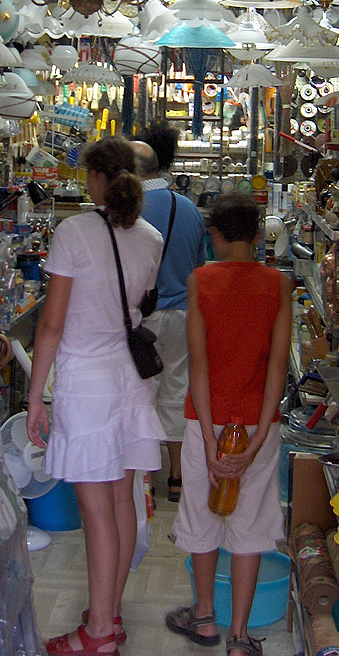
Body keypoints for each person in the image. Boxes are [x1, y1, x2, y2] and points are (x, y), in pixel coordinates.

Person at [27, 137, 164, 656]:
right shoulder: (150, 238)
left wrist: (36, 396)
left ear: (95, 178)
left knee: (96, 512)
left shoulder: (73, 232)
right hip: (131, 383)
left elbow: (52, 325)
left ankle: (99, 633)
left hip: (86, 385)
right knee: (122, 500)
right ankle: (111, 613)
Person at [165, 191, 292, 656]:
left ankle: (203, 617)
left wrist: (207, 439)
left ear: (215, 236)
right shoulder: (278, 285)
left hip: (207, 421)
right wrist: (256, 440)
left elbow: (197, 363)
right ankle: (239, 636)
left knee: (202, 519)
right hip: (260, 425)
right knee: (250, 527)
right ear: (259, 237)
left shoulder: (200, 281)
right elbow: (277, 366)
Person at [131, 124, 207, 502]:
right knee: (177, 392)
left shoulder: (129, 210)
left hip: (140, 320)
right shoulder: (189, 208)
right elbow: (199, 268)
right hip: (182, 317)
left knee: (141, 393)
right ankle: (177, 478)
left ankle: (144, 477)